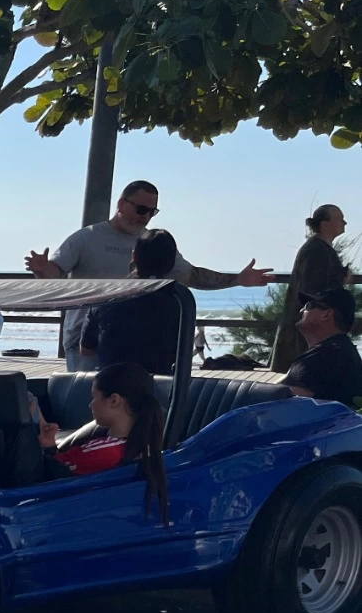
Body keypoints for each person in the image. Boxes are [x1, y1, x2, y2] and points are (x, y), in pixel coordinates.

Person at [26, 180, 270, 370]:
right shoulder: (86, 237)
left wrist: (237, 280)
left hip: (136, 346)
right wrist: (43, 271)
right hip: (84, 341)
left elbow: (192, 276)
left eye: (152, 212)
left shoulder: (153, 242)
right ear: (122, 204)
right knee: (85, 408)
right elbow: (56, 274)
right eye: (141, 208)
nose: (145, 216)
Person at [37, 361, 170, 522]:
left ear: (114, 401)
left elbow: (48, 472)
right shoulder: (135, 447)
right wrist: (50, 444)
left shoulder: (105, 452)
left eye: (94, 397)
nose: (90, 405)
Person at [77, 228, 185, 375]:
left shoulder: (108, 296)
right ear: (172, 262)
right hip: (159, 386)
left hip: (110, 384)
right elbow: (182, 351)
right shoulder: (179, 301)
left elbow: (86, 349)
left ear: (134, 256)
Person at [271, 205, 350, 371]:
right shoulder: (316, 250)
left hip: (314, 326)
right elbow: (312, 290)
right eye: (339, 218)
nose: (344, 222)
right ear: (324, 223)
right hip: (311, 327)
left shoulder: (320, 248)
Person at [283, 287, 362, 405]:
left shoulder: (325, 355)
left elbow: (286, 400)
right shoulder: (341, 349)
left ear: (327, 314)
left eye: (309, 306)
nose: (301, 310)